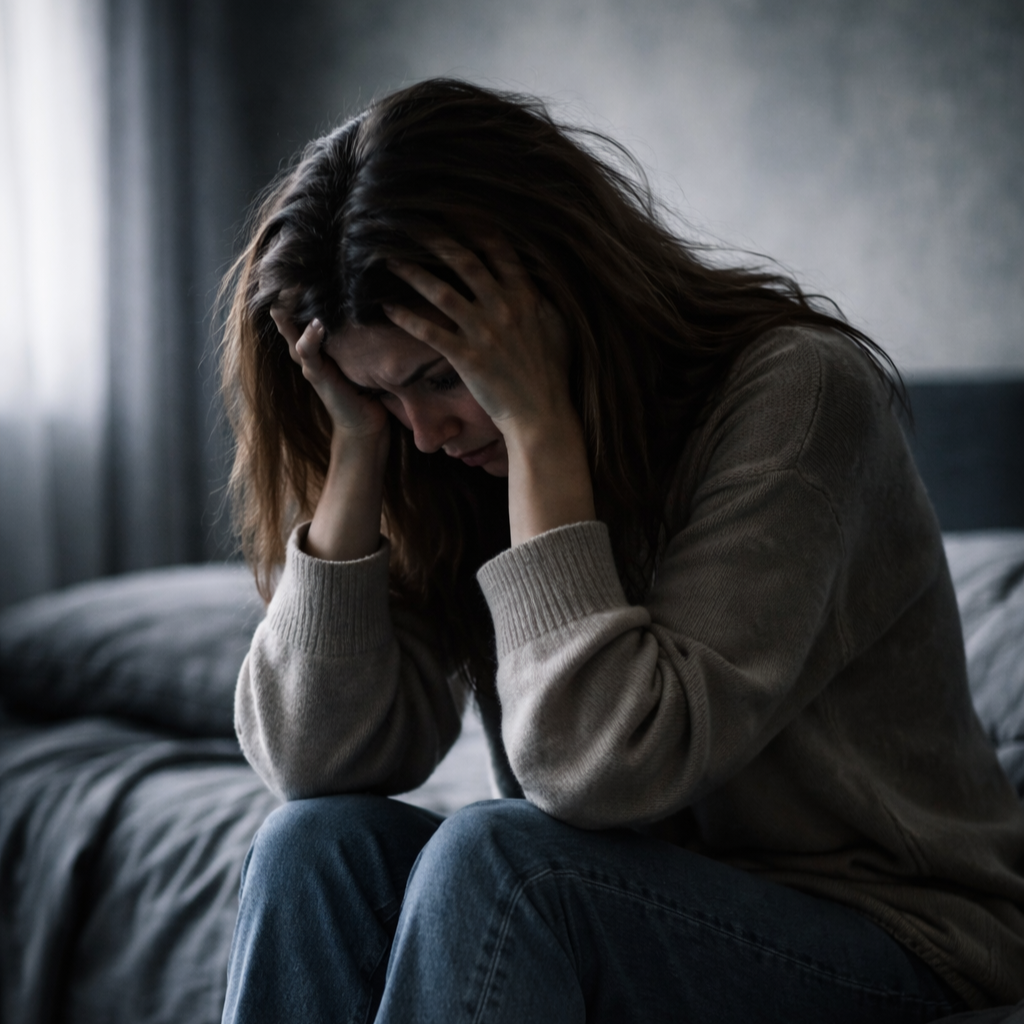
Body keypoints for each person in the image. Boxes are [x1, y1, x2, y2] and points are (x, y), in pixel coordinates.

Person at [217, 78, 1024, 1024]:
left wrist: (539, 432)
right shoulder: (437, 457)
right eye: (379, 394)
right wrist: (357, 451)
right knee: (314, 846)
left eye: (441, 377)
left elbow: (605, 770)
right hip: (630, 899)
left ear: (553, 298)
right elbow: (314, 762)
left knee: (504, 864)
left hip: (895, 932)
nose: (426, 431)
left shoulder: (801, 395)